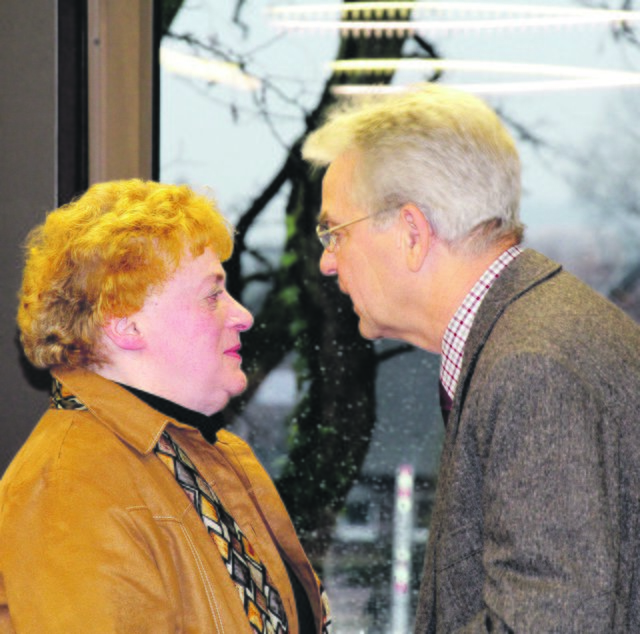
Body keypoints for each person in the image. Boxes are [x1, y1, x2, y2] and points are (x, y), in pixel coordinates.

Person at [301, 83, 640, 632]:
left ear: (412, 232)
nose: (327, 263)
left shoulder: (532, 365)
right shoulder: (534, 332)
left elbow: (545, 624)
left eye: (334, 232)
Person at [0, 179, 331, 633]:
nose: (242, 315)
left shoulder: (210, 454)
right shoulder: (68, 485)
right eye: (212, 295)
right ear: (125, 324)